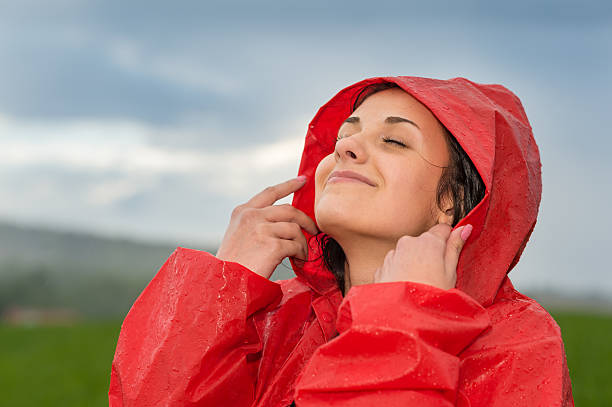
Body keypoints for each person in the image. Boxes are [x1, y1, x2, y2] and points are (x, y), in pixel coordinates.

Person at [109, 76, 574, 406]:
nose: (344, 148)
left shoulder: (515, 344)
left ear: (452, 201)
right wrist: (222, 291)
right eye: (345, 135)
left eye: (394, 141)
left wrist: (402, 325)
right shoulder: (281, 315)